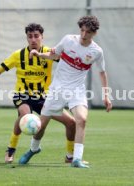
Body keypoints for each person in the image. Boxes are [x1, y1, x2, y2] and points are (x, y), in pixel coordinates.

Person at [19, 16, 112, 168]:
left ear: (94, 33)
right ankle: (33, 149)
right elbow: (54, 54)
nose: (83, 35)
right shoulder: (68, 40)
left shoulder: (97, 52)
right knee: (40, 125)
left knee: (81, 119)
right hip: (57, 89)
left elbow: (102, 72)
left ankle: (76, 159)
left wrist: (106, 96)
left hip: (77, 90)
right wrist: (39, 54)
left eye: (87, 32)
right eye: (81, 30)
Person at [0, 23, 77, 164]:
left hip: (44, 97)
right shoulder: (18, 55)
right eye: (30, 36)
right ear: (27, 38)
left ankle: (70, 156)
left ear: (42, 37)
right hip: (22, 95)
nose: (33, 39)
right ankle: (11, 149)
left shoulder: (49, 52)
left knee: (71, 123)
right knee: (26, 116)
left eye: (36, 36)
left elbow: (67, 60)